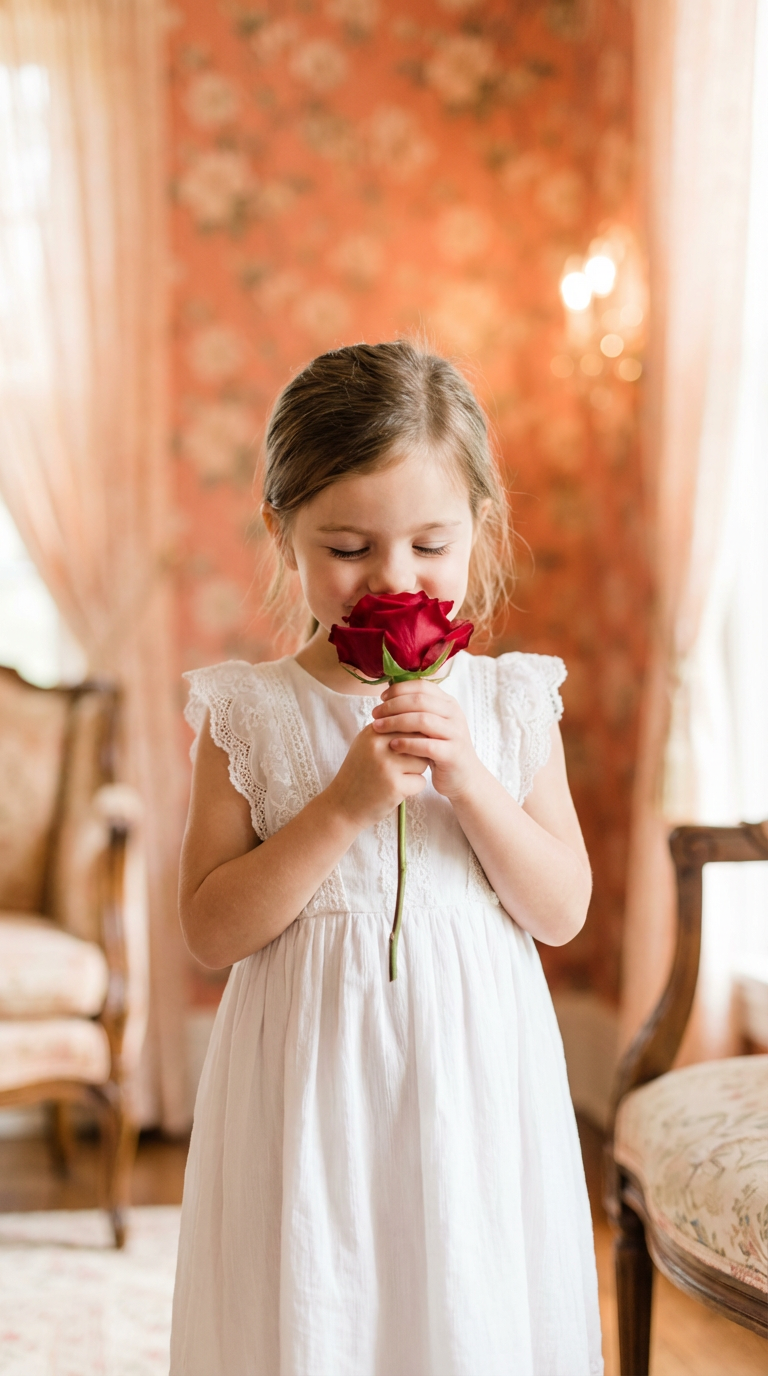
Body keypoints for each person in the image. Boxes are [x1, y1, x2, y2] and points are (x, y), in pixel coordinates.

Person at [170, 340, 603, 1376]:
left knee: (462, 1299)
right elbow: (208, 929)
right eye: (350, 546)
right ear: (283, 534)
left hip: (472, 1084)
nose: (393, 577)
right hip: (308, 1094)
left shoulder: (506, 704)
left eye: (430, 544)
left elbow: (562, 908)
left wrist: (472, 781)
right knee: (322, 1302)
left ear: (480, 528)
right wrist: (344, 805)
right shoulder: (252, 709)